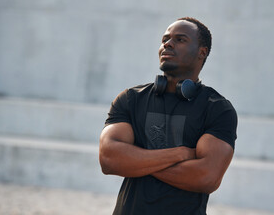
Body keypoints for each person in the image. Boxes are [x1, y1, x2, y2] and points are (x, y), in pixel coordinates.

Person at [99, 17, 238, 215]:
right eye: (165, 39)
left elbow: (207, 177)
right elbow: (109, 159)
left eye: (180, 39)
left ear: (202, 52)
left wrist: (136, 160)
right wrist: (180, 154)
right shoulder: (131, 99)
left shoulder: (217, 109)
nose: (168, 44)